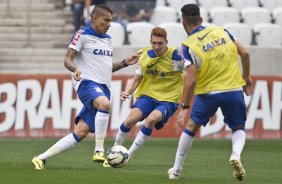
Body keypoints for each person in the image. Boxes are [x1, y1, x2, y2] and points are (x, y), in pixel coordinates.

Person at [32, 4, 140, 170]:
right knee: (105, 105)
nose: (110, 24)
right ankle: (99, 150)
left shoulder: (108, 40)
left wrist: (125, 62)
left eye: (111, 20)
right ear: (94, 18)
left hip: (103, 88)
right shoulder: (82, 34)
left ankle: (40, 158)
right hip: (87, 83)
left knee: (80, 132)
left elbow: (106, 68)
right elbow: (67, 59)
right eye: (106, 20)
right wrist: (75, 69)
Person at [167, 4, 253, 181]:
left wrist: (184, 107)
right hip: (233, 89)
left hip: (209, 93)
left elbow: (191, 80)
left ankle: (176, 170)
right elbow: (244, 53)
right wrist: (246, 77)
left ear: (183, 23)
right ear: (200, 19)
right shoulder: (221, 30)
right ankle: (235, 155)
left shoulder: (187, 46)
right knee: (238, 128)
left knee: (191, 127)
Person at [113, 27, 185, 161]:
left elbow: (186, 74)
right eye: (154, 43)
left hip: (168, 99)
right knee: (130, 120)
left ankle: (128, 156)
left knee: (151, 120)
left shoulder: (175, 56)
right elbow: (137, 78)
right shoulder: (144, 55)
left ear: (166, 42)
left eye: (160, 43)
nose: (156, 46)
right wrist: (127, 92)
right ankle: (114, 151)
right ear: (150, 41)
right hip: (147, 95)